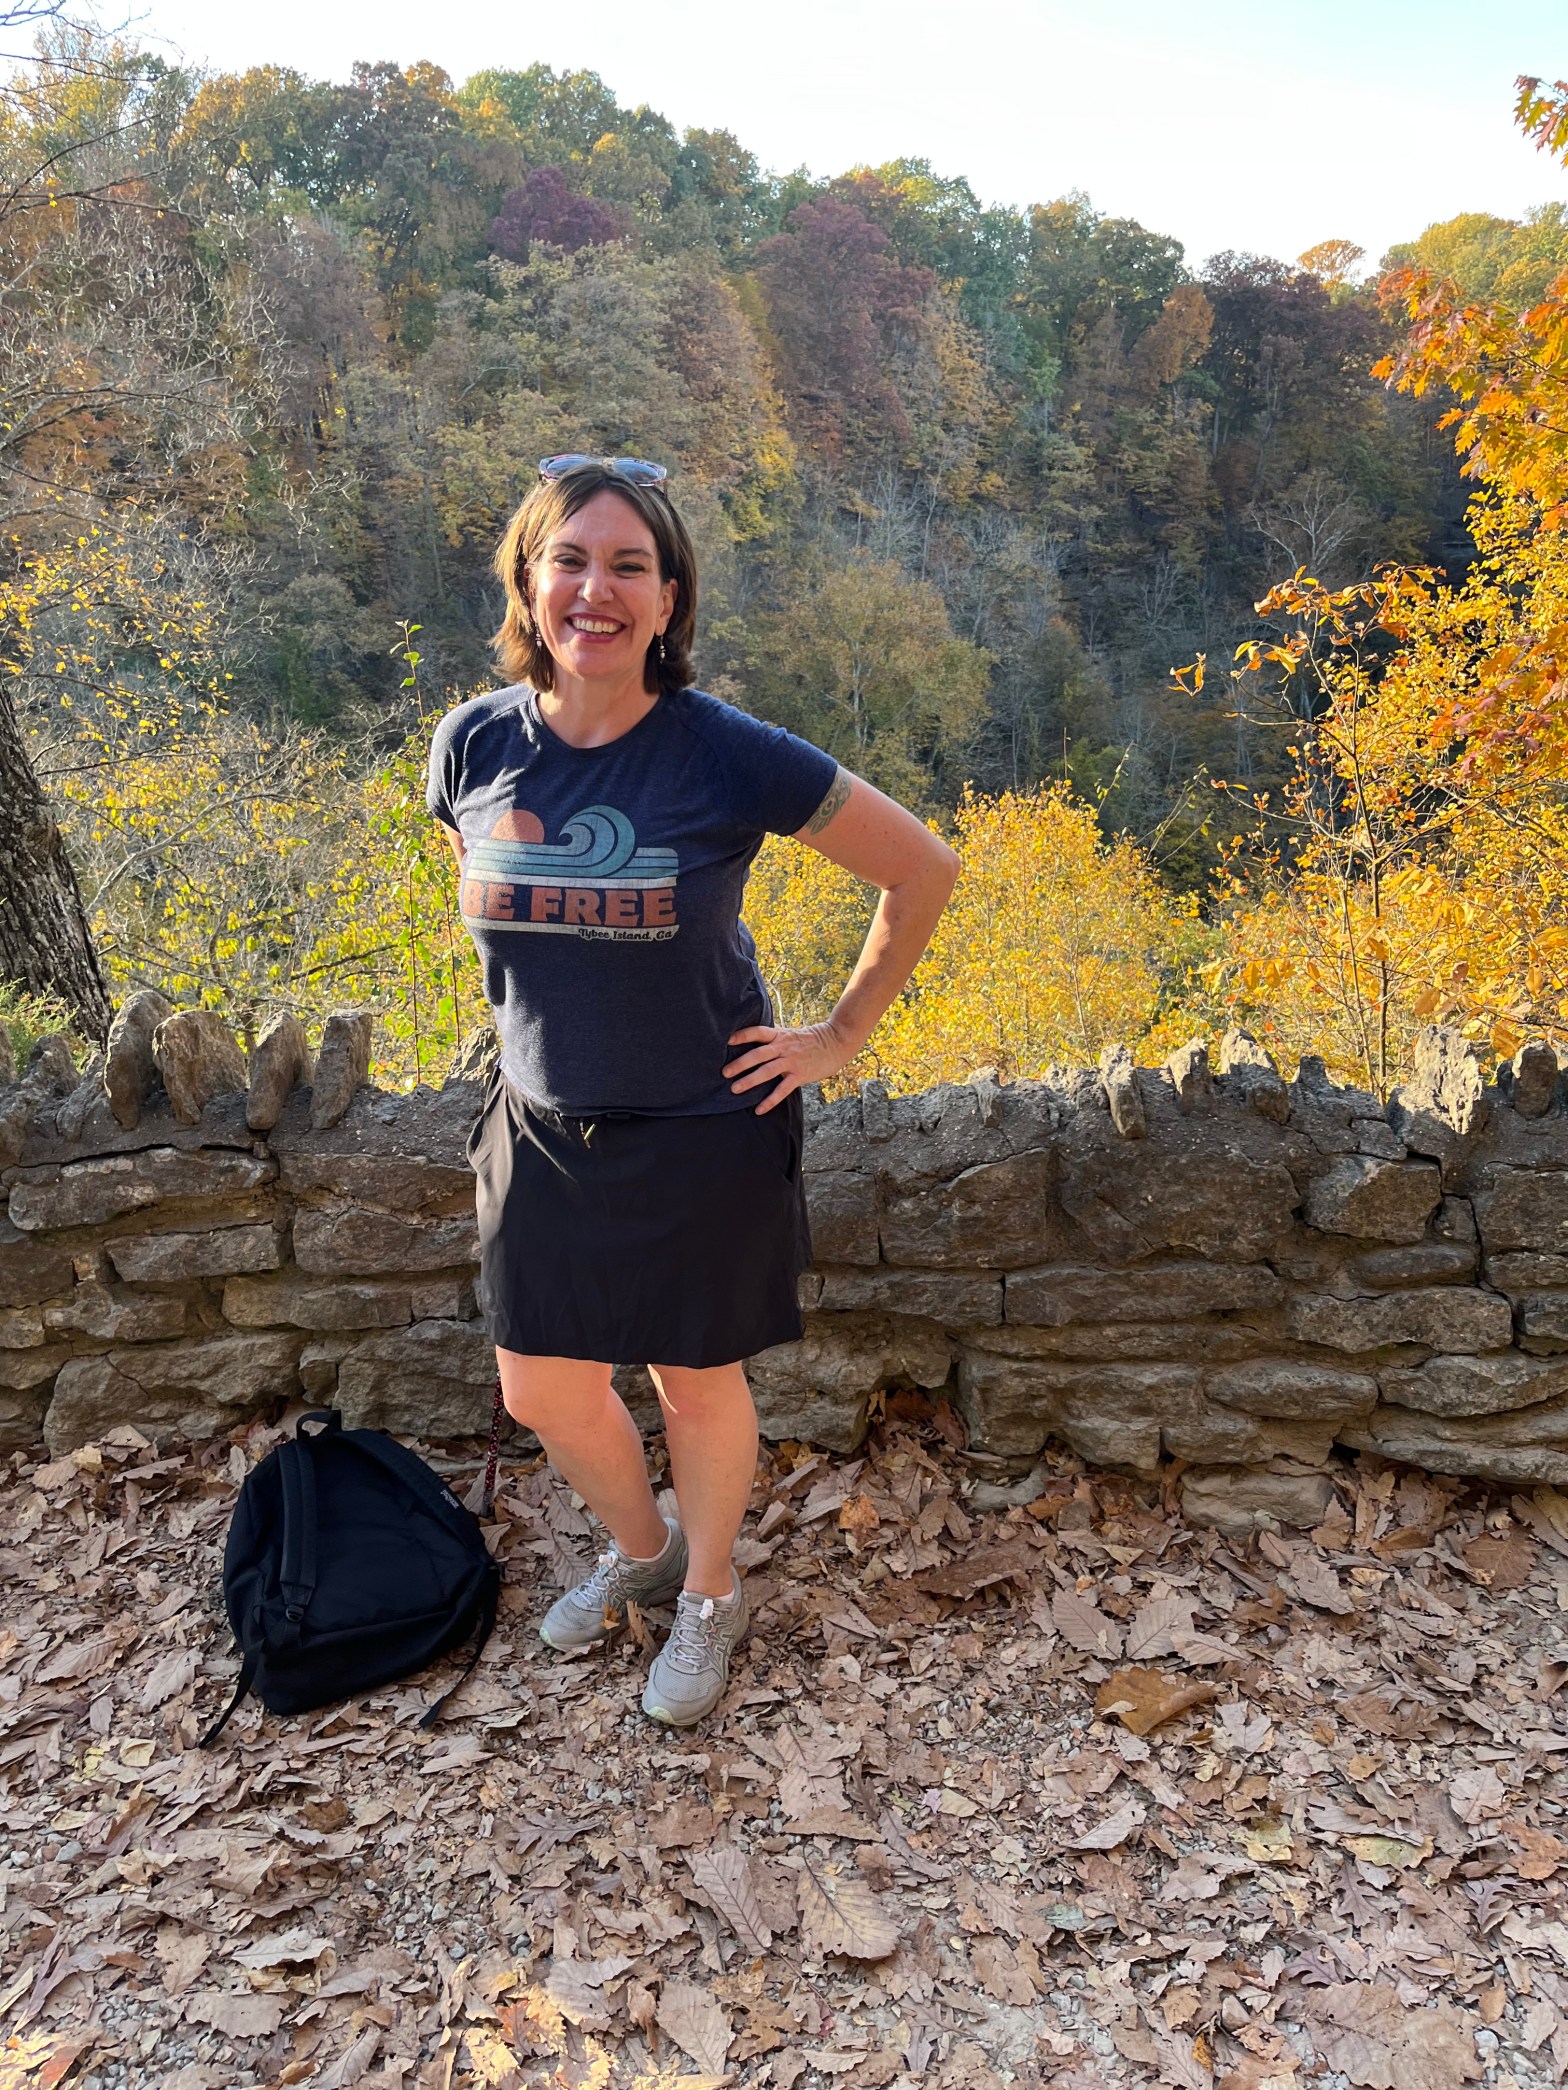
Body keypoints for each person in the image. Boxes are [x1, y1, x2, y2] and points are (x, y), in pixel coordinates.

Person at [427, 454, 959, 1726]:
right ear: (527, 577)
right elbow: (485, 892)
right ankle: (645, 1549)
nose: (594, 589)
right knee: (539, 1384)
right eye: (570, 559)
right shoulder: (471, 742)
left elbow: (921, 868)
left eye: (628, 566)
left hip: (704, 1123)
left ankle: (709, 1588)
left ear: (669, 599)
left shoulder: (721, 750)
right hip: (541, 1124)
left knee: (691, 1378)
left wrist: (833, 1033)